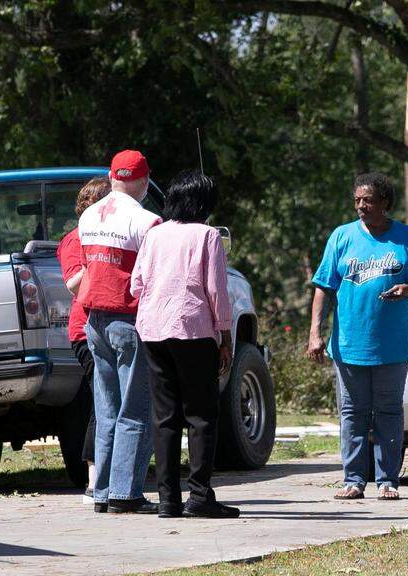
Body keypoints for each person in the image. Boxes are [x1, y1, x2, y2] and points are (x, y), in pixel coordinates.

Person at [307, 173, 408, 501]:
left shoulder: (407, 238)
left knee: (389, 412)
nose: (361, 206)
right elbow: (323, 288)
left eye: (368, 200)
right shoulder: (342, 237)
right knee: (352, 413)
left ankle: (387, 481)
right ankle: (353, 480)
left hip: (392, 345)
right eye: (357, 201)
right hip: (350, 344)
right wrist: (315, 334)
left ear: (385, 203)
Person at [130, 170, 239, 519]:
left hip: (152, 330)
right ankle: (200, 496)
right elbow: (217, 293)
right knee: (202, 415)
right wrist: (225, 336)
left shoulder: (154, 234)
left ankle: (168, 501)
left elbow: (137, 284)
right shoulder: (208, 236)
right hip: (192, 330)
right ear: (204, 204)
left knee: (165, 417)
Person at [77, 150, 161, 514]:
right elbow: (153, 277)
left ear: (111, 178)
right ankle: (125, 494)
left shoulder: (89, 216)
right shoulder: (148, 222)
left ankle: (102, 491)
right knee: (135, 410)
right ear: (144, 181)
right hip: (128, 320)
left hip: (93, 319)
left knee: (107, 409)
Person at [56, 176, 110, 504]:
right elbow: (74, 284)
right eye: (105, 202)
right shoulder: (76, 240)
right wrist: (103, 261)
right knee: (101, 401)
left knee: (107, 399)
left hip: (106, 327)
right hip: (85, 329)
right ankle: (93, 475)